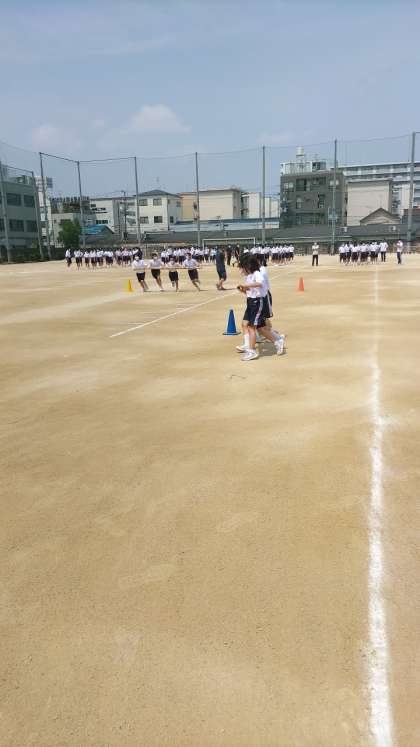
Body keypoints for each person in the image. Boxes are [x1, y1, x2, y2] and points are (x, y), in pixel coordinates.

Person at [235, 255, 285, 362]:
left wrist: (247, 286)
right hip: (250, 302)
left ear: (248, 266)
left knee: (251, 327)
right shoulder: (248, 276)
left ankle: (251, 351)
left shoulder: (257, 273)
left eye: (242, 267)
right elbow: (249, 292)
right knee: (259, 328)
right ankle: (277, 341)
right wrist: (243, 290)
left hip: (257, 303)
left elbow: (260, 283)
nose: (241, 270)